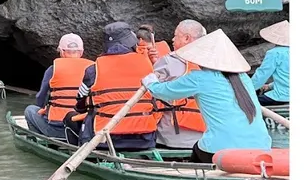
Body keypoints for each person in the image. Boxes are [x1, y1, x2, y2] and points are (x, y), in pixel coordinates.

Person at [142, 29, 272, 163]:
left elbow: (162, 91)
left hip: (221, 149)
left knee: (199, 148)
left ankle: (192, 178)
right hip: (262, 146)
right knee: (202, 146)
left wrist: (150, 80)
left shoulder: (199, 78)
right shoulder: (243, 78)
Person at [76, 21, 158, 150]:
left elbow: (79, 105)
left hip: (105, 140)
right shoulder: (148, 65)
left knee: (81, 115)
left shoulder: (93, 70)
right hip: (145, 138)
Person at [24, 34, 94, 144]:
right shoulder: (93, 69)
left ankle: (42, 142)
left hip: (58, 129)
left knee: (30, 110)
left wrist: (46, 109)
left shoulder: (53, 69)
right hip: (85, 129)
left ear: (61, 51)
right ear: (81, 52)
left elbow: (40, 99)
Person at [150, 19, 208, 149]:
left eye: (175, 36)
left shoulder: (168, 62)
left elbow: (151, 93)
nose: (172, 39)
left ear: (187, 38)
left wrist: (154, 64)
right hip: (206, 135)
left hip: (172, 138)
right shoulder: (213, 64)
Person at [250, 20, 289, 106]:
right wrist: (270, 86)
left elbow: (262, 74)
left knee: (248, 103)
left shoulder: (275, 53)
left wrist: (247, 89)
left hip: (281, 96)